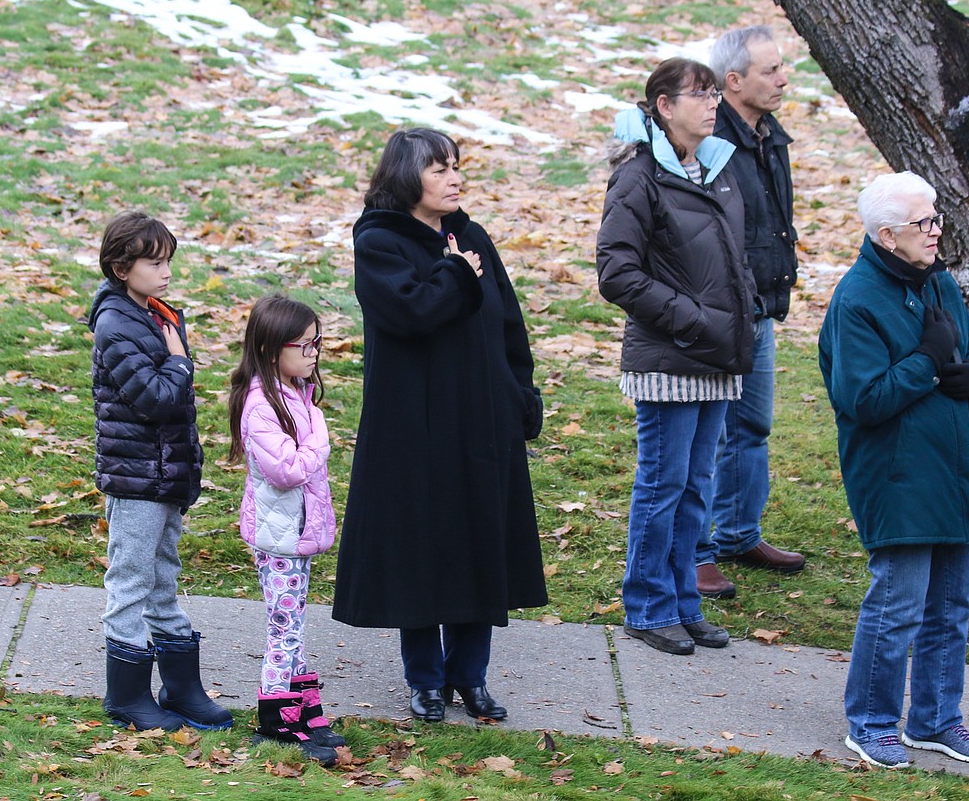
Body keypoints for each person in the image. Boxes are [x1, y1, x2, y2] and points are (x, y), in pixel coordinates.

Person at [331, 128, 548, 722]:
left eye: (456, 166)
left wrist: (520, 393)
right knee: (422, 551)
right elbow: (411, 312)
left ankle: (470, 677)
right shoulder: (380, 242)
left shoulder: (470, 236)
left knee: (481, 543)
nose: (455, 178)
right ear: (407, 177)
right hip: (415, 430)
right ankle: (425, 679)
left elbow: (508, 325)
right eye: (439, 169)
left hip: (482, 421)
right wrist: (455, 274)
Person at [819, 171, 969, 769]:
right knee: (898, 606)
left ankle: (937, 720)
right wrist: (927, 360)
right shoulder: (858, 299)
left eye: (936, 216)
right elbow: (863, 398)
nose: (936, 229)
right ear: (888, 235)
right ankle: (870, 723)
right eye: (923, 222)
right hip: (896, 475)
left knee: (952, 606)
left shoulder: (940, 282)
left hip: (954, 465)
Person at [596, 58, 757, 655]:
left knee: (696, 488)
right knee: (663, 486)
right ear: (664, 106)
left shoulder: (712, 169)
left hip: (716, 357)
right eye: (699, 94)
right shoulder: (639, 178)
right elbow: (616, 272)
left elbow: (726, 259)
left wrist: (742, 312)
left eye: (715, 92)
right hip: (669, 359)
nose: (713, 102)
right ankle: (647, 607)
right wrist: (690, 319)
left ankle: (684, 605)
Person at [88, 210, 232, 732]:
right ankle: (126, 695)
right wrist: (179, 363)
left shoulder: (160, 314)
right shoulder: (115, 323)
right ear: (121, 267)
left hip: (166, 474)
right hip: (136, 478)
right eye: (154, 261)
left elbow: (175, 400)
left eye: (168, 259)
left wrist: (176, 359)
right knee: (130, 581)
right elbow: (157, 399)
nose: (165, 270)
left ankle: (179, 687)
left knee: (163, 578)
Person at [696, 25, 804, 600]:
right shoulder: (712, 143)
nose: (783, 79)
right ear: (732, 80)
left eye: (781, 67)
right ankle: (700, 551)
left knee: (752, 428)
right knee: (709, 433)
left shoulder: (770, 136)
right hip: (723, 311)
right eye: (770, 70)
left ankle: (739, 533)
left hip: (762, 308)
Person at [228, 295, 345, 765]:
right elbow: (289, 470)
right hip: (279, 538)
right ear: (274, 348)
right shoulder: (262, 405)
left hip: (294, 533)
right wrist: (319, 435)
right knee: (283, 629)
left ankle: (297, 705)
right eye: (307, 343)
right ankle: (275, 718)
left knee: (292, 624)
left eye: (319, 342)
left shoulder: (292, 392)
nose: (315, 352)